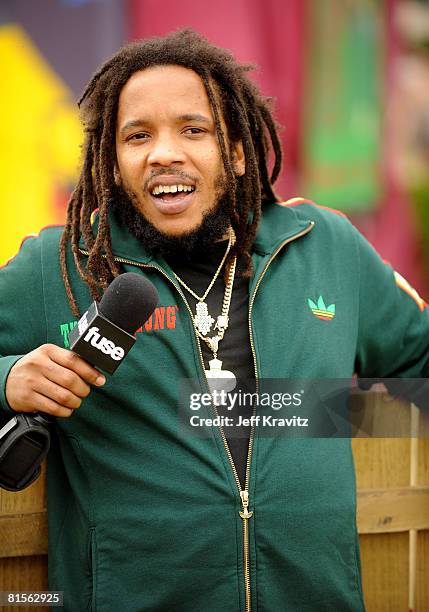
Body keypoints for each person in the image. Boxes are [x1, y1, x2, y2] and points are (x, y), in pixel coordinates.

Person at [1, 29, 428, 612]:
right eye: (137, 136)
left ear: (238, 150)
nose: (163, 152)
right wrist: (9, 379)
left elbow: (417, 365)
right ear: (112, 160)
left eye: (193, 129)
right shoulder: (59, 267)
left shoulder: (326, 246)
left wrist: (326, 413)